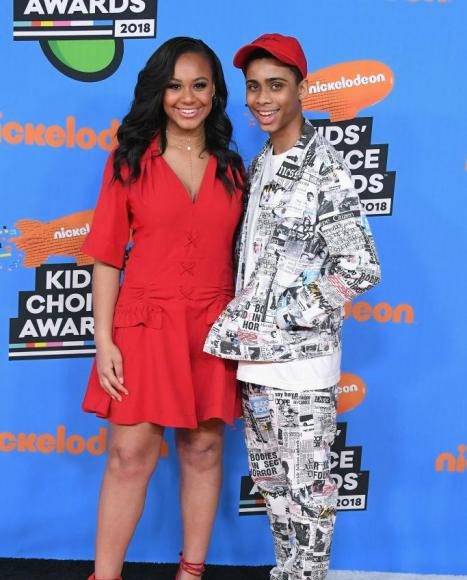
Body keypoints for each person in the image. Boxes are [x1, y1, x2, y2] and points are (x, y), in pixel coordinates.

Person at [204, 33, 381, 580]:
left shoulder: (324, 167)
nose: (262, 99)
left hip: (302, 366)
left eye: (276, 86)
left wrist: (278, 314)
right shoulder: (261, 162)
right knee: (274, 490)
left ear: (301, 89)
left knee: (307, 497)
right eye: (254, 86)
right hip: (255, 363)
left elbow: (361, 267)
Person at [81, 37, 244, 580]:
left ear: (215, 92)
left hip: (213, 328)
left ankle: (191, 573)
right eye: (174, 86)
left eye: (199, 85)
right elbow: (107, 257)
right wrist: (104, 341)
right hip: (145, 327)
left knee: (203, 450)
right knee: (129, 456)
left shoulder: (233, 170)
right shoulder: (129, 162)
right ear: (159, 91)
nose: (187, 97)